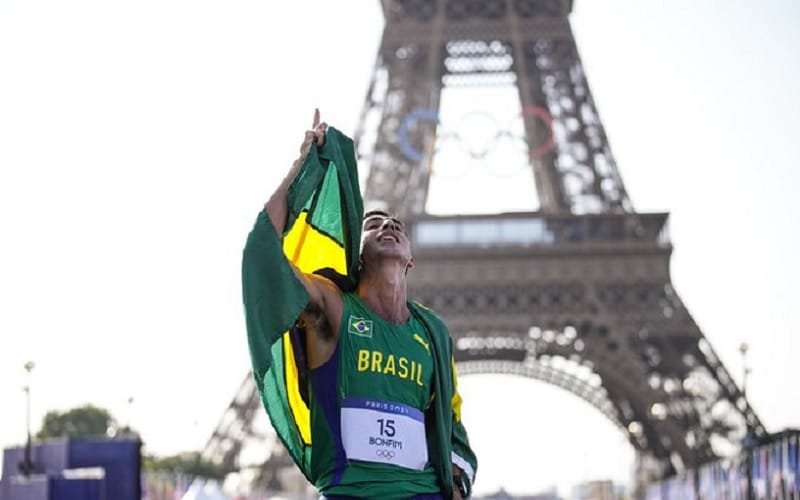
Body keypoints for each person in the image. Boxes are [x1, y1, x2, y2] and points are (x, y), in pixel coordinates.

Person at [242, 110, 477, 499]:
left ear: (411, 260)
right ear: (358, 255)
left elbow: (450, 418)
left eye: (397, 225)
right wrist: (301, 171)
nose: (389, 225)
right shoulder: (333, 309)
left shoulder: (432, 333)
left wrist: (455, 481)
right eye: (374, 223)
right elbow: (265, 256)